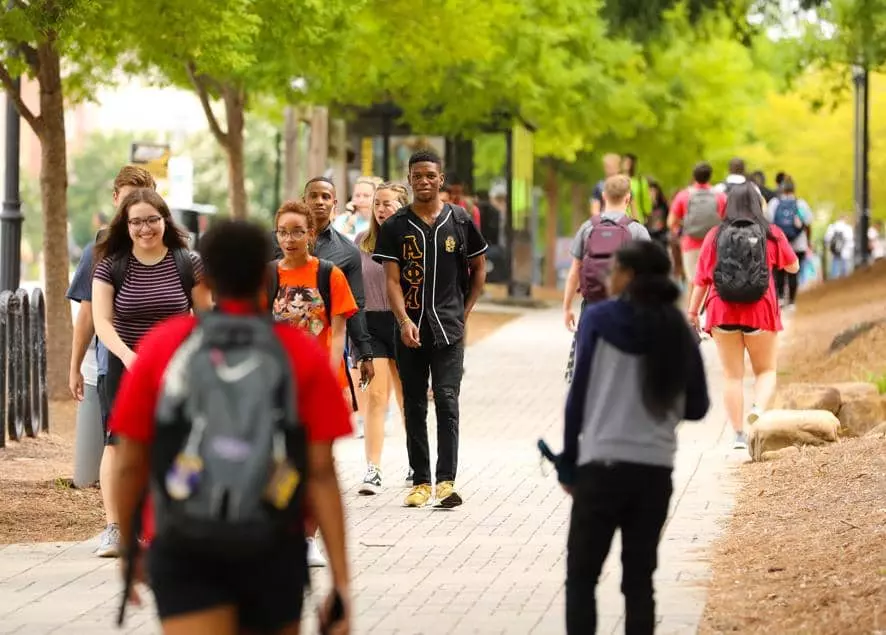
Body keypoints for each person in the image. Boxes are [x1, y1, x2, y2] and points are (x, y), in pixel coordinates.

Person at [110, 219, 352, 635]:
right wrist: (342, 584)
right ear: (266, 271)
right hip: (273, 543)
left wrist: (129, 550)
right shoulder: (298, 352)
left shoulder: (166, 346)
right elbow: (321, 472)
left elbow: (130, 461)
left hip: (184, 541)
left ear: (206, 275)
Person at [560, 240, 709, 635]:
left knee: (581, 579)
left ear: (628, 276)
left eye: (614, 270)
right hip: (654, 471)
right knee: (639, 582)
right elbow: (698, 406)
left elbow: (578, 397)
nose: (608, 277)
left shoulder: (598, 319)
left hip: (600, 467)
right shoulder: (677, 328)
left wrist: (569, 461)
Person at [373, 149, 488, 509]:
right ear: (409, 180)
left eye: (430, 175)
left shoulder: (460, 220)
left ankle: (446, 482)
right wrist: (404, 320)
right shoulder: (395, 227)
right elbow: (391, 281)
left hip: (449, 329)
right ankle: (420, 480)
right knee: (414, 404)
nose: (424, 181)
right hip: (409, 330)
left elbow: (479, 269)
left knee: (447, 400)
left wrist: (465, 311)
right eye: (417, 175)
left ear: (441, 179)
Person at [66, 165, 157, 554]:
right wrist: (74, 366)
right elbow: (88, 314)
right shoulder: (100, 249)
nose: (132, 206)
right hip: (114, 363)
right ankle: (115, 526)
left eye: (143, 196)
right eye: (126, 196)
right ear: (116, 198)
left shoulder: (176, 250)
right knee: (116, 442)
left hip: (164, 363)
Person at [270, 199, 357, 567]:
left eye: (297, 231)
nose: (290, 239)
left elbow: (338, 334)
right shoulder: (268, 276)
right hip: (277, 385)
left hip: (317, 382)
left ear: (311, 233)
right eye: (283, 232)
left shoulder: (329, 275)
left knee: (316, 464)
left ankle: (307, 537)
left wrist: (327, 375)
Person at [687, 183, 799, 450]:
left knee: (732, 376)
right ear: (759, 204)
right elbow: (793, 266)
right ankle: (758, 410)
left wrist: (692, 312)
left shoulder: (715, 235)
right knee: (767, 370)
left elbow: (701, 279)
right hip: (760, 311)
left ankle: (737, 435)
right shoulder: (771, 234)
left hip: (721, 310)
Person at [293, 177, 375, 409]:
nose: (319, 201)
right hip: (283, 345)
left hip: (326, 345)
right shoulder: (278, 242)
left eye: (325, 197)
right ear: (304, 200)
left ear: (334, 204)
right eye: (314, 196)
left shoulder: (348, 252)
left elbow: (355, 305)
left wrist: (364, 354)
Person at [562, 175, 651, 382]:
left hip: (592, 306)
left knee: (590, 365)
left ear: (603, 196)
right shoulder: (636, 230)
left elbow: (575, 271)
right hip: (628, 307)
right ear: (628, 199)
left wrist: (567, 307)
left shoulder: (588, 228)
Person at [355, 183, 409, 494]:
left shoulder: (412, 241)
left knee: (407, 399)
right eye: (378, 203)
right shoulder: (361, 241)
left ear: (402, 205)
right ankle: (372, 469)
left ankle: (416, 464)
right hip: (371, 323)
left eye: (388, 203)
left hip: (403, 322)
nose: (381, 209)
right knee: (375, 398)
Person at [667, 162, 727, 311]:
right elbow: (726, 220)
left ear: (693, 176)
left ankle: (692, 321)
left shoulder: (684, 195)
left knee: (692, 282)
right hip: (714, 243)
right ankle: (710, 317)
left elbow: (670, 222)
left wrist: (680, 229)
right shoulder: (720, 196)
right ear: (709, 177)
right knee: (713, 282)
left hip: (690, 244)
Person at [766, 178, 812, 307]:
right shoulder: (801, 204)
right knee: (794, 273)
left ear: (781, 189)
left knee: (779, 271)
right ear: (793, 189)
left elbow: (768, 221)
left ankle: (780, 297)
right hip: (798, 244)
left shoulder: (774, 203)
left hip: (778, 244)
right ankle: (791, 301)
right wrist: (808, 241)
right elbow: (807, 223)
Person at [333, 176, 381, 242]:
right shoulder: (342, 220)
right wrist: (348, 223)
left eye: (366, 196)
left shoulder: (380, 222)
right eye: (357, 195)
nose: (361, 200)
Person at [622, 153, 651, 223]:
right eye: (625, 161)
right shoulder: (615, 181)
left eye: (629, 162)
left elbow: (646, 202)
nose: (627, 164)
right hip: (619, 220)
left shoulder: (641, 182)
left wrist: (647, 213)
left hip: (637, 219)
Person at [823, 215, 854, 279]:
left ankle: (834, 283)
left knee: (835, 268)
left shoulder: (832, 227)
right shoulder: (847, 228)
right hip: (846, 252)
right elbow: (850, 241)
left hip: (835, 252)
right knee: (845, 270)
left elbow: (827, 239)